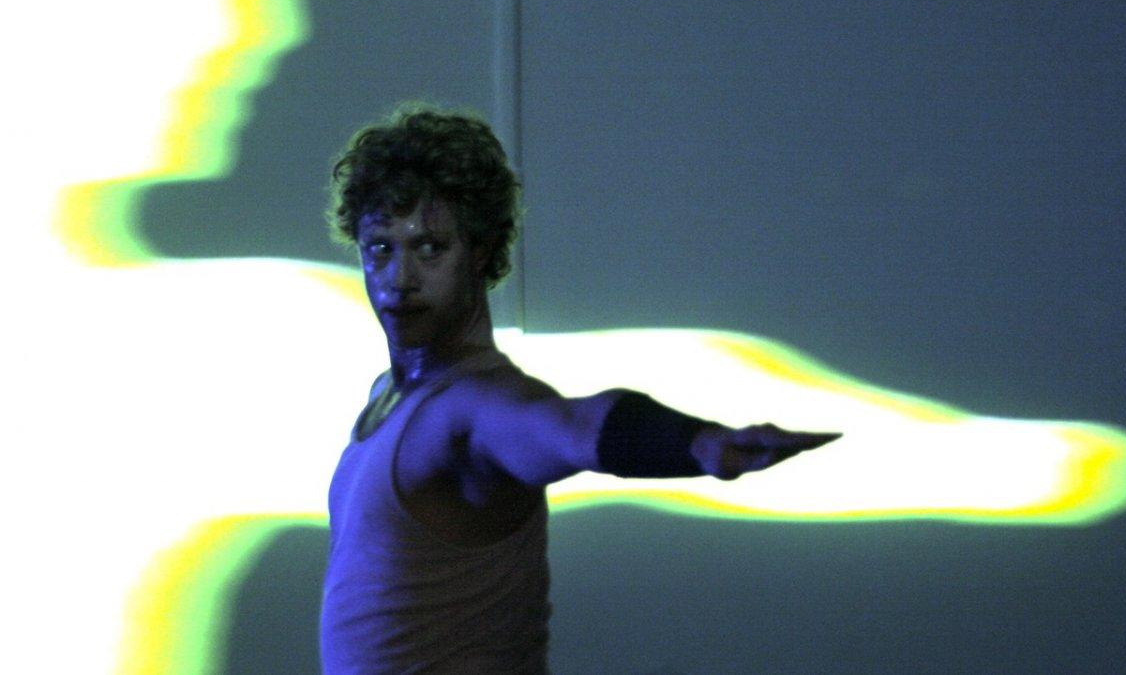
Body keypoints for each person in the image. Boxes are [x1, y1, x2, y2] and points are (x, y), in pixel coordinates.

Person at [319, 106, 841, 674]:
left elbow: (571, 425)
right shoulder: (389, 396)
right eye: (381, 249)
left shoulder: (475, 405)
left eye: (429, 249)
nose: (399, 280)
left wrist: (696, 443)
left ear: (481, 251)